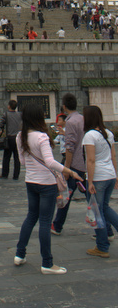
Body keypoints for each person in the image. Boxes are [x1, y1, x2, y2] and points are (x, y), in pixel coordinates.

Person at [15, 102, 82, 274]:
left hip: (31, 182)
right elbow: (50, 162)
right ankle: (47, 263)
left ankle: (20, 254)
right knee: (45, 222)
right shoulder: (42, 137)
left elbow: (23, 162)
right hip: (46, 184)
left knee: (31, 217)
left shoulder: (20, 136)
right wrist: (70, 172)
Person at [82, 105, 118, 258]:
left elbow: (91, 160)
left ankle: (102, 246)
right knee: (105, 207)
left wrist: (90, 182)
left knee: (97, 211)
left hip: (98, 177)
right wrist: (116, 175)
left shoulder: (90, 135)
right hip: (109, 175)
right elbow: (113, 156)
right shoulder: (108, 133)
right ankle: (103, 243)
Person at [51, 93, 85, 236]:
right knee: (92, 197)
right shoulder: (82, 118)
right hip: (84, 164)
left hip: (75, 165)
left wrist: (67, 168)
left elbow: (70, 147)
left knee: (66, 195)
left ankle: (57, 225)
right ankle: (105, 228)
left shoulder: (70, 122)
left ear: (64, 107)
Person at [0, 100, 22, 180]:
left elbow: (1, 124)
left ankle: (5, 174)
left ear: (9, 106)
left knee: (6, 157)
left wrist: (2, 129)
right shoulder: (20, 114)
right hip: (18, 138)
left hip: (10, 138)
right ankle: (16, 175)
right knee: (17, 157)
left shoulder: (6, 114)